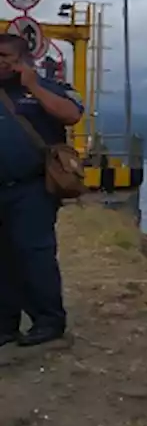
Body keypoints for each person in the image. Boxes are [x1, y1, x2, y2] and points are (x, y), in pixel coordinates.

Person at [0, 34, 84, 348]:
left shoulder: (47, 87)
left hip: (32, 187)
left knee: (33, 254)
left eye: (5, 55)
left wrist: (33, 85)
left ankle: (48, 320)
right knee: (3, 258)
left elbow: (72, 115)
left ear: (23, 58)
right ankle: (5, 324)